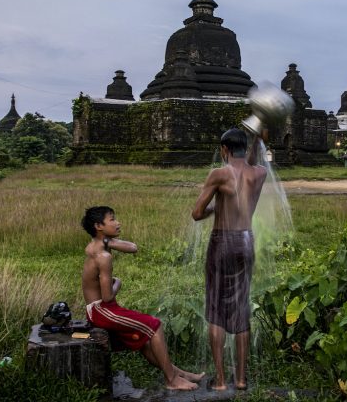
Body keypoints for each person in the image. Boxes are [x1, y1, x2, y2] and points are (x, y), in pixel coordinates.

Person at [81, 206, 204, 391]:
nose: (118, 222)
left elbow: (133, 248)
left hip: (100, 308)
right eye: (112, 219)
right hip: (102, 310)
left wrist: (109, 240)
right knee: (154, 325)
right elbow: (107, 297)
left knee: (144, 340)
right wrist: (118, 283)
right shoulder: (103, 256)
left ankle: (180, 374)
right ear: (99, 226)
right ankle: (171, 380)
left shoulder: (98, 245)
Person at [191, 128, 267, 391]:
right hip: (246, 242)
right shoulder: (259, 173)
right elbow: (254, 161)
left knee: (216, 310)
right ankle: (242, 379)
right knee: (241, 308)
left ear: (224, 149)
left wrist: (216, 207)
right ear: (243, 149)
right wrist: (257, 140)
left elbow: (197, 213)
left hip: (222, 242)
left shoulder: (219, 174)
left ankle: (221, 381)